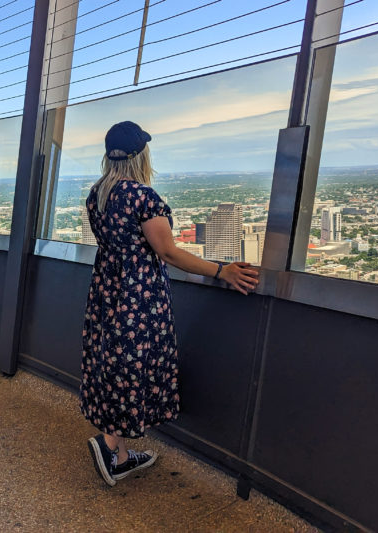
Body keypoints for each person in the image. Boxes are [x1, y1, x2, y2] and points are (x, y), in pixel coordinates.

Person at [80, 121, 259, 486]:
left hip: (108, 291)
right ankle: (110, 444)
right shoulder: (144, 197)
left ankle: (120, 453)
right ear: (141, 155)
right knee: (136, 364)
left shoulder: (98, 193)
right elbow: (168, 252)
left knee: (113, 360)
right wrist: (221, 270)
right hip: (138, 295)